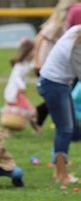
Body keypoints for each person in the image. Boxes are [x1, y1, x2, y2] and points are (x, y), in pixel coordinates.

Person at [37, 25, 81, 189]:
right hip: (54, 85)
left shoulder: (76, 30)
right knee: (65, 129)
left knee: (68, 129)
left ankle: (59, 171)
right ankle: (62, 175)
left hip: (56, 83)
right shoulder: (77, 46)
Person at [2, 39, 40, 133]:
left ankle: (36, 129)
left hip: (19, 93)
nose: (35, 52)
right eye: (33, 50)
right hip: (16, 93)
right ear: (27, 51)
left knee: (20, 111)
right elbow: (16, 77)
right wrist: (22, 87)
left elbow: (31, 67)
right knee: (30, 110)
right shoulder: (18, 66)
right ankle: (37, 129)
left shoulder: (25, 64)